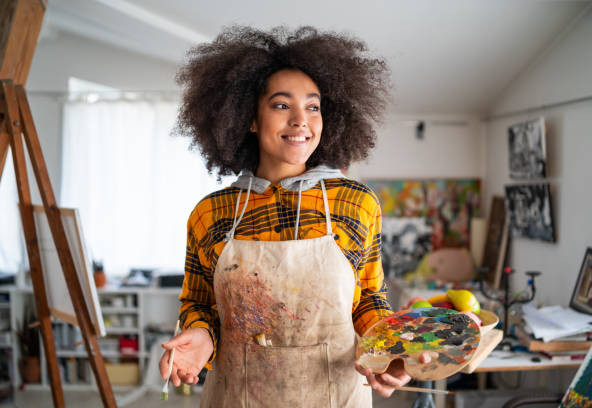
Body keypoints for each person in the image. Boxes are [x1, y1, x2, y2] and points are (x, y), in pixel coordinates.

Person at [158, 25, 427, 407]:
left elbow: (368, 298)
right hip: (238, 397)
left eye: (313, 106)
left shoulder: (355, 203)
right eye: (282, 105)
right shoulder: (211, 213)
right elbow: (199, 304)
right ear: (249, 118)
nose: (301, 120)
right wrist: (199, 337)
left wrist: (389, 352)